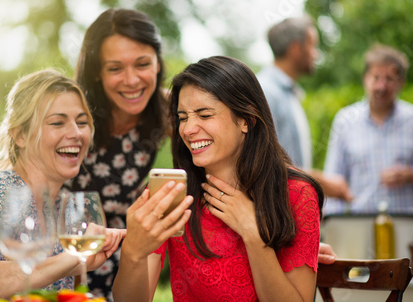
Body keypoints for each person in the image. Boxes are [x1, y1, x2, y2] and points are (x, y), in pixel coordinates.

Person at [113, 56, 325, 301]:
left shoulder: (296, 194)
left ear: (246, 119)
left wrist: (254, 237)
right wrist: (133, 253)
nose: (188, 129)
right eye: (183, 117)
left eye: (204, 115)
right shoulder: (173, 197)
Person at [0, 69, 124, 302]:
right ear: (20, 134)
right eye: (57, 122)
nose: (76, 133)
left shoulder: (66, 208)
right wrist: (74, 256)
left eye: (82, 122)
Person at [64, 8, 169, 299]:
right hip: (65, 257)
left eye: (142, 64)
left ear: (158, 63)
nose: (132, 80)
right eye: (115, 68)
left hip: (123, 259)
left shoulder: (166, 110)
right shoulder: (73, 112)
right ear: (97, 72)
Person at [257, 16, 353, 202]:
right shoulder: (266, 92)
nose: (316, 54)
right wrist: (321, 182)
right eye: (312, 46)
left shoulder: (287, 92)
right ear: (295, 49)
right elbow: (265, 164)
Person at [323, 44, 413, 215]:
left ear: (401, 83)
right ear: (365, 79)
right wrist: (331, 225)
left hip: (411, 227)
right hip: (361, 226)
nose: (381, 86)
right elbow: (334, 179)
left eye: (389, 79)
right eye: (376, 77)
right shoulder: (345, 121)